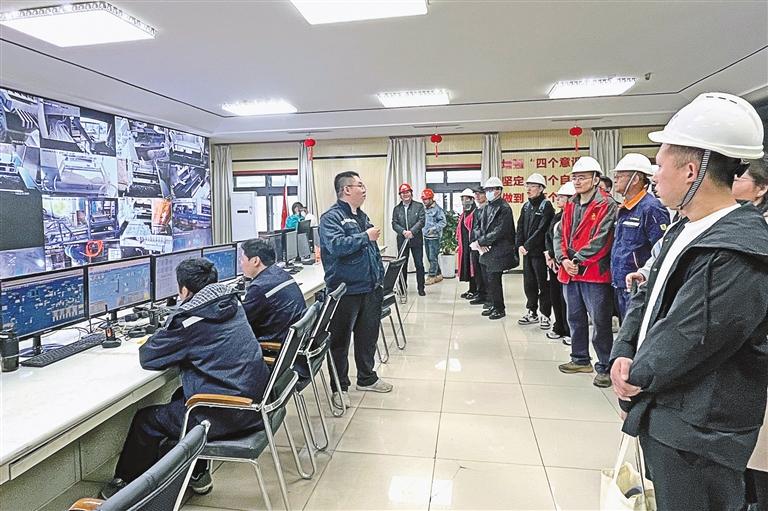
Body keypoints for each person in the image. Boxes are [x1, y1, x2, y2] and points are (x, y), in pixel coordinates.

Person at [609, 92, 768, 511]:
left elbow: (691, 336)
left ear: (691, 170)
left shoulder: (738, 249)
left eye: (660, 166)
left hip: (700, 430)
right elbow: (646, 295)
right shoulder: (685, 228)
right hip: (666, 410)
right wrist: (623, 349)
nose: (655, 177)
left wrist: (634, 379)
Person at [102, 259, 269, 498]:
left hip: (228, 413)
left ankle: (124, 489)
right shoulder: (232, 303)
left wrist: (172, 322)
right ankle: (197, 474)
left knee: (146, 420)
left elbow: (149, 356)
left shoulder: (191, 322)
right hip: (252, 401)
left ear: (184, 290)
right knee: (179, 396)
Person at [320, 171, 392, 409]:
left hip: (369, 288)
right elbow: (336, 246)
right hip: (345, 290)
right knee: (339, 342)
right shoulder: (331, 218)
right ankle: (339, 388)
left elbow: (370, 250)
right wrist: (365, 236)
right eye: (359, 185)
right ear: (346, 190)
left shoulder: (361, 215)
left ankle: (367, 377)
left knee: (367, 336)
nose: (364, 189)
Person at [553, 156, 617, 388]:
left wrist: (577, 260)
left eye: (582, 177)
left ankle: (605, 367)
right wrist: (563, 259)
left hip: (593, 273)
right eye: (575, 178)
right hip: (570, 271)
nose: (577, 182)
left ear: (596, 179)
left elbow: (603, 239)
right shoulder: (571, 203)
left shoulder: (607, 204)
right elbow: (559, 234)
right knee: (575, 318)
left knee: (600, 322)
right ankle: (580, 359)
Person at [610, 153, 669, 320]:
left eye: (620, 176)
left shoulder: (651, 208)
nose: (615, 180)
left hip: (638, 285)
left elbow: (661, 249)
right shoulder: (624, 209)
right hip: (621, 282)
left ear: (635, 179)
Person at [239, 238, 307, 375]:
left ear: (255, 261)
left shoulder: (259, 288)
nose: (241, 264)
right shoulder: (281, 273)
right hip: (294, 349)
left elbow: (242, 322)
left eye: (242, 259)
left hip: (276, 353)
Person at [473, 176, 517, 320]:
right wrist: (481, 242)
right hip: (487, 248)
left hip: (499, 249)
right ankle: (493, 304)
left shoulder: (504, 208)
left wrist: (482, 241)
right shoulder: (488, 206)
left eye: (491, 189)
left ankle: (499, 308)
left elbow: (500, 230)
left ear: (499, 190)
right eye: (487, 190)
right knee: (489, 279)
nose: (488, 192)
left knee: (495, 279)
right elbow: (480, 227)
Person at [516, 173, 555, 328]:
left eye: (532, 186)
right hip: (527, 253)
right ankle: (531, 311)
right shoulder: (526, 206)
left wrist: (527, 245)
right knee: (529, 284)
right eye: (527, 186)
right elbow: (519, 226)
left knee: (543, 284)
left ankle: (545, 315)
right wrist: (519, 244)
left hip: (540, 254)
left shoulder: (546, 206)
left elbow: (542, 230)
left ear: (541, 188)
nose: (529, 189)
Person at [544, 181, 574, 344]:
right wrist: (549, 254)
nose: (558, 199)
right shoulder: (557, 216)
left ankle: (570, 331)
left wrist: (560, 258)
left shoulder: (574, 217)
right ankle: (559, 326)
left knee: (567, 299)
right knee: (555, 295)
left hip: (566, 263)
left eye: (562, 197)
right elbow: (549, 236)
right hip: (553, 263)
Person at [391, 182, 426, 296]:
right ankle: (402, 288)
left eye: (407, 192)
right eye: (403, 193)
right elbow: (394, 223)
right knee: (402, 265)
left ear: (411, 193)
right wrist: (403, 232)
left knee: (419, 264)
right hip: (402, 241)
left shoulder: (419, 206)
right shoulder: (397, 209)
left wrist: (412, 232)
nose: (405, 194)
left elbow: (422, 221)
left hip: (416, 240)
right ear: (400, 195)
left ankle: (421, 288)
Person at [469, 185, 489, 306]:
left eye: (479, 193)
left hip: (484, 245)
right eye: (475, 194)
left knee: (485, 273)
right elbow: (474, 228)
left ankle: (488, 296)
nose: (477, 196)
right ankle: (480, 294)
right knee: (478, 271)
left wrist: (482, 242)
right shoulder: (477, 210)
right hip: (475, 245)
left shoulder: (488, 208)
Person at [456, 188, 478, 298]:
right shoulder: (464, 213)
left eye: (466, 199)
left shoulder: (476, 213)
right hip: (464, 246)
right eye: (462, 199)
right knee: (468, 268)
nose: (464, 202)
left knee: (474, 268)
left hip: (474, 246)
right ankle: (471, 289)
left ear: (472, 200)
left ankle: (476, 291)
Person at [422, 188, 446, 285]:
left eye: (426, 199)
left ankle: (431, 276)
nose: (424, 201)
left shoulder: (437, 209)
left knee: (432, 257)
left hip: (434, 238)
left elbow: (443, 222)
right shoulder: (424, 209)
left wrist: (434, 228)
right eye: (423, 199)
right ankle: (438, 274)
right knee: (430, 257)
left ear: (431, 199)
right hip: (426, 237)